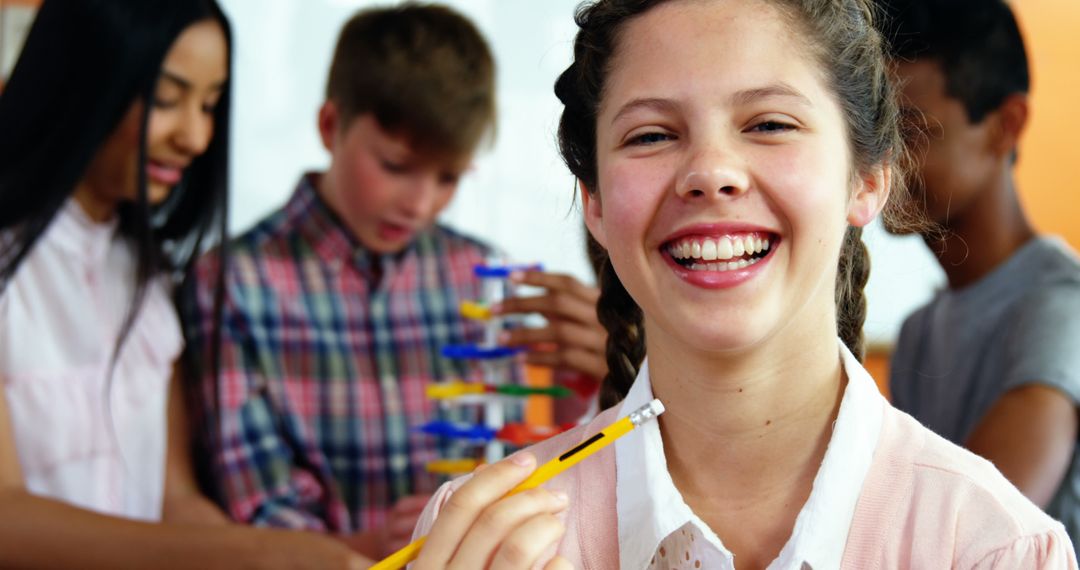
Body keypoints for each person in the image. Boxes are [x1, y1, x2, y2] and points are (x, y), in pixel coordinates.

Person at [408, 0, 1077, 567]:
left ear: (868, 177)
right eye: (651, 135)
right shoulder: (477, 540)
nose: (711, 171)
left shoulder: (998, 548)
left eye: (769, 124)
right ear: (597, 203)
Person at [180, 2, 606, 561]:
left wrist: (611, 369)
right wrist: (359, 547)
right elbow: (253, 500)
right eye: (396, 165)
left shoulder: (481, 274)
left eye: (448, 177)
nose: (420, 202)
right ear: (331, 126)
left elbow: (525, 450)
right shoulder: (231, 284)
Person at [0, 0, 366, 567]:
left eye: (210, 104)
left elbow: (175, 499)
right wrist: (251, 554)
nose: (195, 137)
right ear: (83, 82)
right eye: (167, 99)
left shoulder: (146, 276)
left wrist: (310, 553)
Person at [879, 0, 1080, 546]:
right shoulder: (920, 331)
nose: (883, 167)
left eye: (913, 132)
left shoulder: (1062, 309)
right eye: (877, 137)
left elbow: (965, 537)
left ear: (1005, 126)